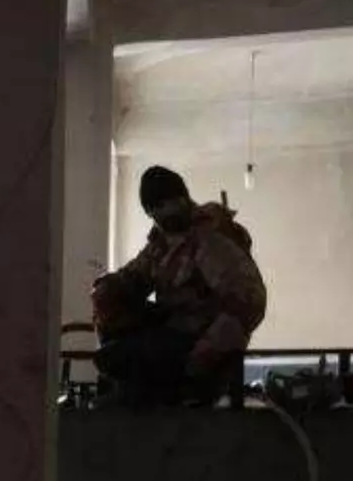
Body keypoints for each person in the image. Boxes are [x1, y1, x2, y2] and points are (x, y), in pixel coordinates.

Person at [92, 166, 268, 407]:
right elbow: (135, 276)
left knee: (121, 357)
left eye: (166, 205)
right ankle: (148, 393)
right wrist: (108, 289)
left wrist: (210, 349)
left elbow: (249, 300)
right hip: (174, 333)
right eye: (154, 210)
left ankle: (181, 392)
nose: (161, 215)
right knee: (111, 350)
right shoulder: (163, 241)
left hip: (203, 343)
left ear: (183, 198)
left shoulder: (210, 238)